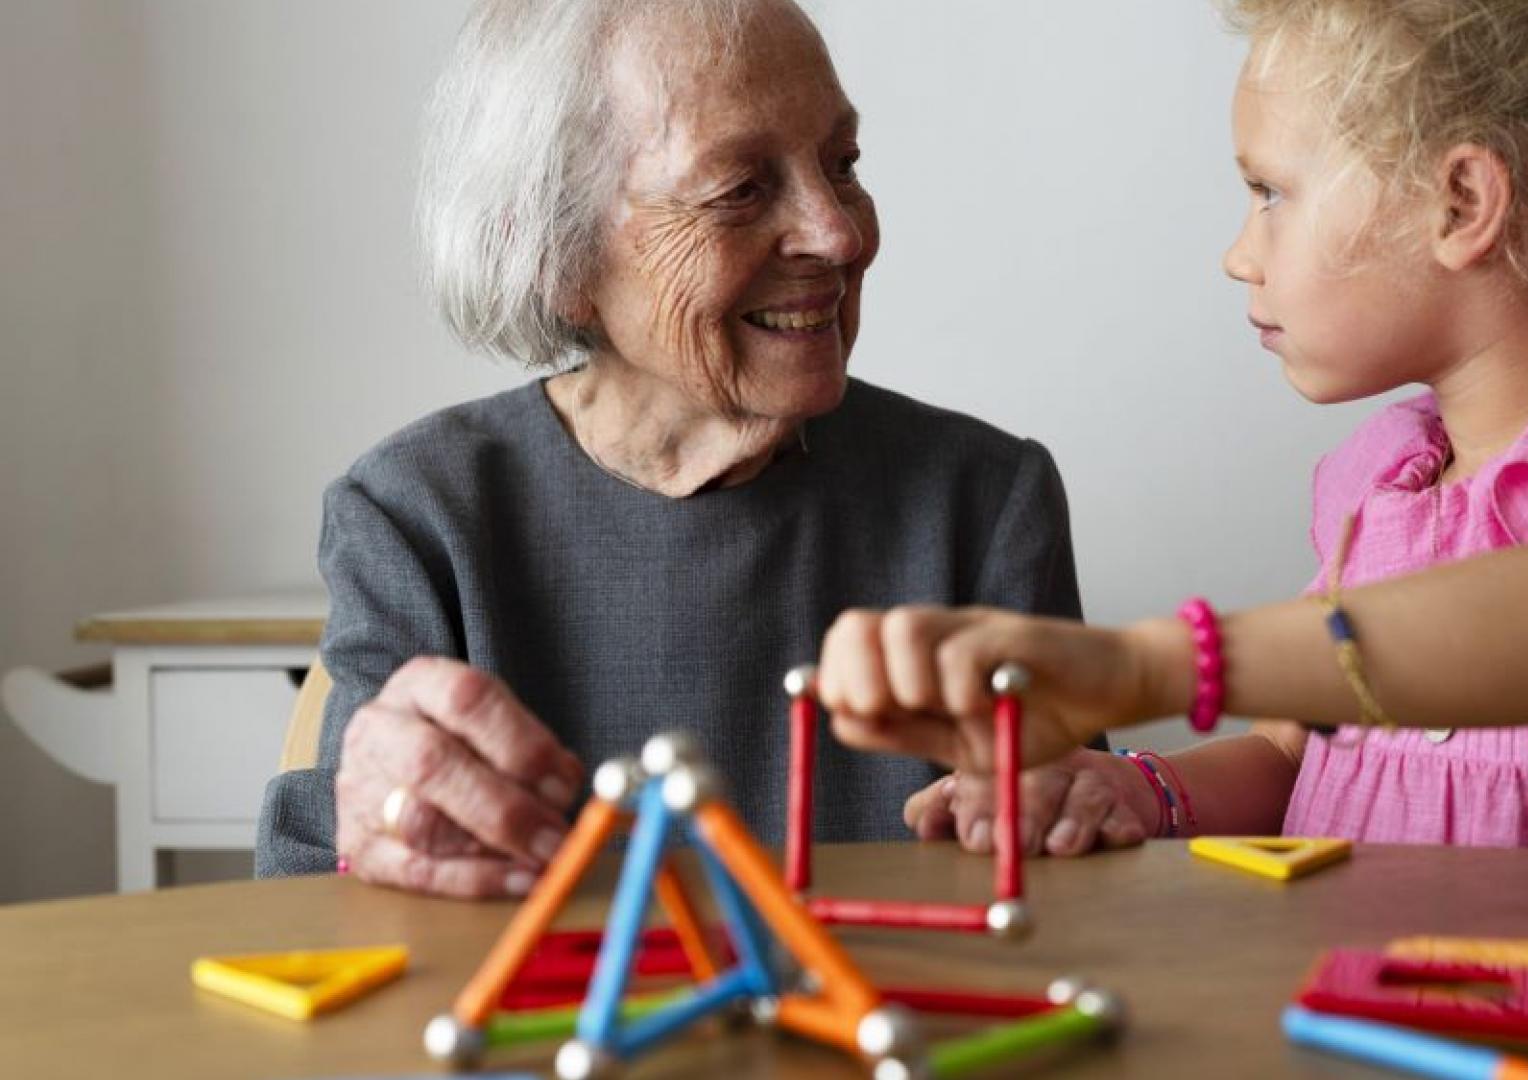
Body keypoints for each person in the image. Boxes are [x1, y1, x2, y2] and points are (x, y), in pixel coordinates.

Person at [819, 0, 1528, 865]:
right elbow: (1306, 748)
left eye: (1269, 192)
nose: (1240, 254)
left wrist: (1150, 665)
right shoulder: (1382, 486)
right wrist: (1139, 786)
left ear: (1460, 205)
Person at [254, 0, 1081, 897]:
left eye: (842, 165)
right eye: (741, 189)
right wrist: (380, 829)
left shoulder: (983, 502)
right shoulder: (421, 516)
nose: (838, 234)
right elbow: (325, 902)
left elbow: (1073, 879)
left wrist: (1066, 815)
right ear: (557, 259)